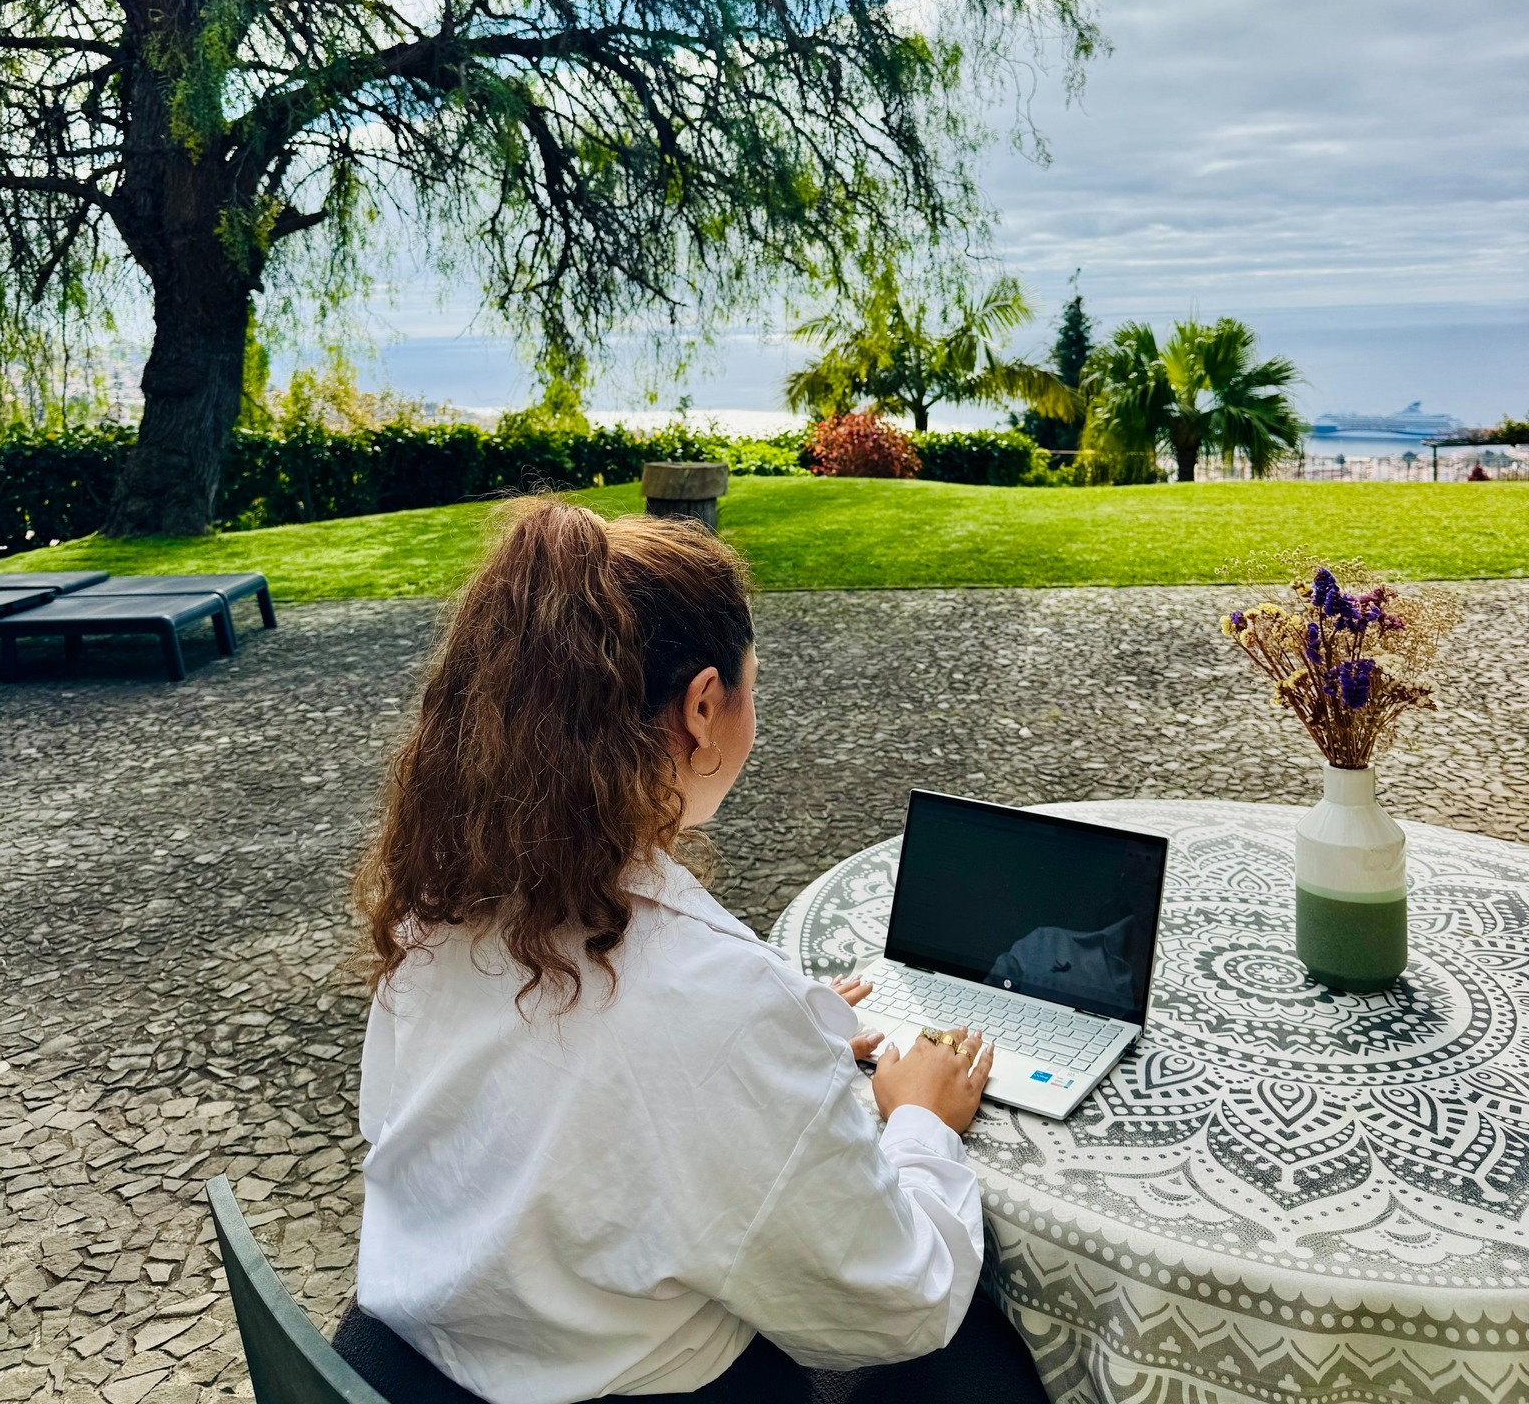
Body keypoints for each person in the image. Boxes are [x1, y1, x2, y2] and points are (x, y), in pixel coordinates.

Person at [337, 498, 1047, 1404]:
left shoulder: (438, 904)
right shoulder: (713, 1001)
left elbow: (481, 1111)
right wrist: (919, 1124)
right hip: (615, 1388)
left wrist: (797, 1035)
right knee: (979, 1360)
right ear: (703, 706)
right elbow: (900, 1301)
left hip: (417, 1355)